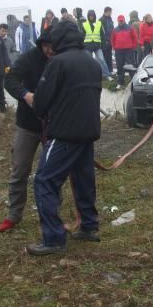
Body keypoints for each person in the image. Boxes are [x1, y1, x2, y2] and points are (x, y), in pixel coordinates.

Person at [27, 20, 102, 256]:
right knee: (83, 179)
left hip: (64, 134)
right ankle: (89, 227)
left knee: (44, 181)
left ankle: (53, 238)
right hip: (88, 132)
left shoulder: (57, 63)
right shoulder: (93, 62)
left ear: (58, 40)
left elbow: (40, 102)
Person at [0, 28, 55, 232]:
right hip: (27, 125)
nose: (50, 50)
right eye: (47, 46)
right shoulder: (28, 59)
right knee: (20, 170)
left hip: (53, 126)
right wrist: (25, 94)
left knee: (53, 172)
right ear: (41, 44)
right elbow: (10, 80)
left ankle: (52, 213)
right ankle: (14, 214)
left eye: (53, 46)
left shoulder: (61, 59)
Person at [82, 10, 112, 80]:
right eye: (90, 16)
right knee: (88, 61)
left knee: (102, 59)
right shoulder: (84, 24)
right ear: (88, 16)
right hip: (87, 46)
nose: (91, 17)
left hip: (97, 46)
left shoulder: (99, 23)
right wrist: (83, 45)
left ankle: (107, 75)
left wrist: (103, 45)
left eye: (92, 15)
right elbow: (82, 36)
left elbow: (102, 35)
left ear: (94, 16)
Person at [111, 15, 139, 89]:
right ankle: (120, 82)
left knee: (130, 66)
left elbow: (134, 38)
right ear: (117, 21)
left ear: (124, 20)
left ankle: (133, 81)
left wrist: (133, 47)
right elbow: (112, 39)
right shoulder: (115, 29)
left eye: (122, 20)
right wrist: (114, 47)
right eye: (119, 20)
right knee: (119, 66)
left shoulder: (130, 28)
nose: (121, 22)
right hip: (118, 50)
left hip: (128, 50)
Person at [100, 7, 114, 74]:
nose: (111, 13)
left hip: (110, 40)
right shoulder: (101, 20)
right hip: (105, 41)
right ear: (107, 11)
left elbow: (112, 29)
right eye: (110, 12)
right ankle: (106, 72)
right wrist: (104, 40)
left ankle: (110, 71)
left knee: (109, 56)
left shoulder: (110, 19)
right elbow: (101, 32)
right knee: (105, 57)